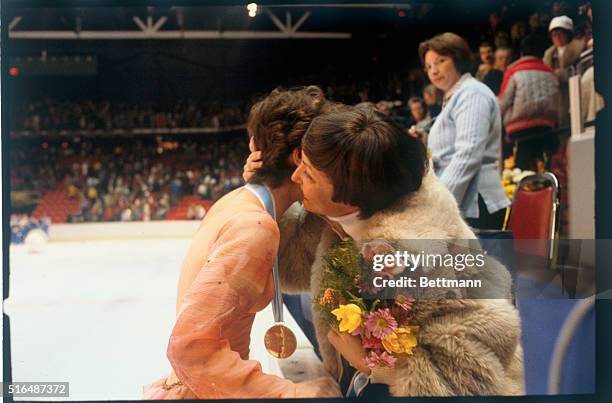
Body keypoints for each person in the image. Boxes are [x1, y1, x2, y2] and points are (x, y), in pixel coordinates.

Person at [248, 107, 524, 396]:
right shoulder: (362, 200)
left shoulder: (410, 257)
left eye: (309, 174)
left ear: (349, 200)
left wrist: (371, 365)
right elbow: (292, 269)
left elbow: (474, 376)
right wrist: (268, 191)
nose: (295, 176)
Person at [142, 86, 341, 400]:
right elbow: (188, 348)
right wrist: (285, 393)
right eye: (328, 157)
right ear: (300, 158)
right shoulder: (255, 225)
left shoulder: (240, 201)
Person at [419, 32, 510, 230]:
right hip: (462, 201)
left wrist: (439, 206)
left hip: (476, 203)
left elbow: (468, 155)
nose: (433, 71)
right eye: (428, 66)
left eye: (440, 61)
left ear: (457, 59)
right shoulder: (456, 96)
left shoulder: (471, 93)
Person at [498, 34, 560, 171]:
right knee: (544, 171)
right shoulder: (551, 73)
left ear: (521, 52)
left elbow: (502, 103)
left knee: (523, 175)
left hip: (519, 133)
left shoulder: (513, 71)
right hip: (547, 129)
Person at [543, 15, 585, 128]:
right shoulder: (549, 55)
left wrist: (558, 75)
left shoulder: (579, 49)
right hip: (555, 98)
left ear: (568, 33)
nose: (557, 37)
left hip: (574, 92)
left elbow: (579, 71)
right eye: (554, 34)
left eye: (560, 33)